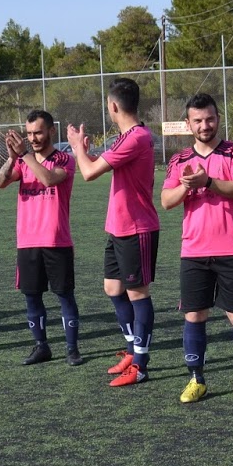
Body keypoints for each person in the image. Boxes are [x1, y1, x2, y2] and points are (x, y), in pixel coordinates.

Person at [161, 93, 233, 402]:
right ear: (188, 124)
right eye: (198, 120)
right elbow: (166, 201)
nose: (204, 125)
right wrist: (186, 186)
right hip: (193, 251)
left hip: (232, 248)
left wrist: (208, 182)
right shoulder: (179, 160)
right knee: (194, 315)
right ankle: (197, 378)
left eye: (209, 119)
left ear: (218, 119)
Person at [67, 77, 160, 387]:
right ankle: (132, 350)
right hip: (119, 228)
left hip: (137, 228)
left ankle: (141, 364)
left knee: (138, 294)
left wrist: (77, 148)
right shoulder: (127, 137)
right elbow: (100, 164)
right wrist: (86, 152)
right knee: (112, 287)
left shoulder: (137, 137)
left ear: (113, 106)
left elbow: (88, 173)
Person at [0, 109, 84, 367]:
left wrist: (24, 154)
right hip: (27, 241)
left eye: (38, 132)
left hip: (56, 240)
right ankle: (41, 346)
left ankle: (72, 349)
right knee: (32, 296)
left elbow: (48, 179)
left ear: (51, 131)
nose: (33, 138)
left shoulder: (64, 159)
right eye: (29, 133)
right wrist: (12, 158)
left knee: (64, 295)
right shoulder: (23, 161)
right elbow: (0, 182)